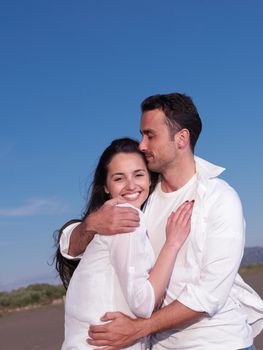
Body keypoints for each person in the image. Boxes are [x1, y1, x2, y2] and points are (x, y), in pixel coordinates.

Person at [60, 93, 263, 350]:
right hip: (158, 345)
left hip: (217, 341)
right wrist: (91, 223)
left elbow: (208, 295)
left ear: (181, 138)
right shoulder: (142, 195)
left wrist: (138, 329)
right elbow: (70, 246)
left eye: (150, 135)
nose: (142, 145)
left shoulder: (219, 198)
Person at [55, 137, 194, 350]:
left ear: (149, 179)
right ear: (106, 188)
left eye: (138, 174)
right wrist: (172, 244)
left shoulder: (119, 218)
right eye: (119, 178)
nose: (131, 186)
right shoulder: (126, 216)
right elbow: (143, 303)